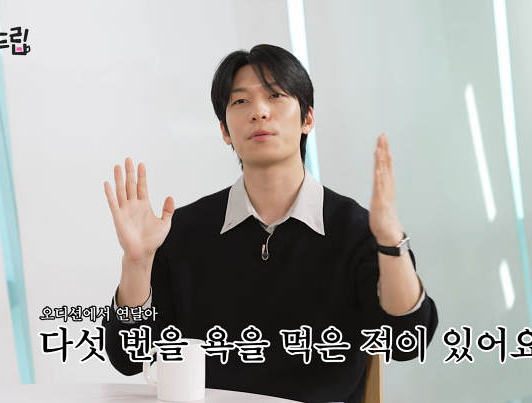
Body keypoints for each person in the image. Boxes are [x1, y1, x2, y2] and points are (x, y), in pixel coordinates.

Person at [101, 44, 438, 403]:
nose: (259, 112)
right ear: (225, 131)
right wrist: (137, 263)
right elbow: (128, 357)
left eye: (275, 95)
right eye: (240, 101)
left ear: (307, 118)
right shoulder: (183, 230)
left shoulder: (355, 229)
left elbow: (406, 339)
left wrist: (390, 240)